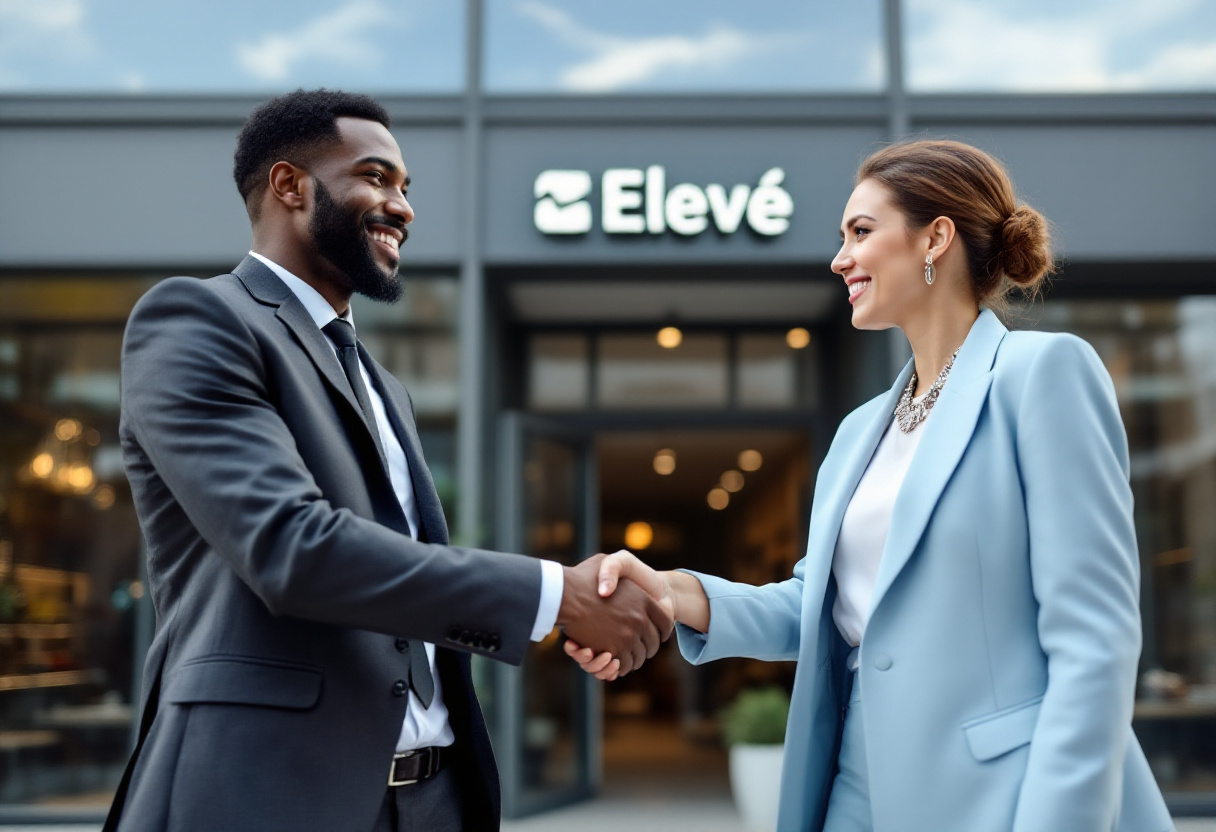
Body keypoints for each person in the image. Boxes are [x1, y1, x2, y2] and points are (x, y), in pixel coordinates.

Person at [106, 89, 672, 832]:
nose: (401, 207)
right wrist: (553, 597)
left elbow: (397, 586)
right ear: (289, 185)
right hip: (272, 796)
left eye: (406, 187)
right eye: (375, 178)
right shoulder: (198, 321)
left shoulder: (383, 387)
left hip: (433, 798)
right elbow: (291, 547)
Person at [568, 140, 1173, 831]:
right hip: (855, 782)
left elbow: (1094, 640)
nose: (839, 259)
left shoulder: (1041, 375)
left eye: (860, 231)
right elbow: (823, 608)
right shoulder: (860, 430)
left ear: (935, 239)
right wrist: (672, 592)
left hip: (998, 794)